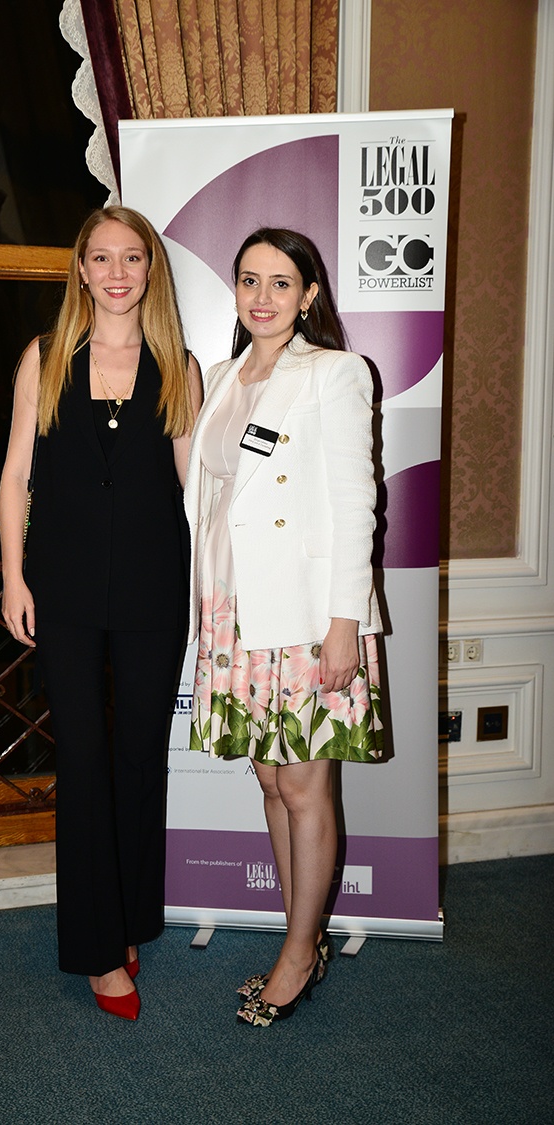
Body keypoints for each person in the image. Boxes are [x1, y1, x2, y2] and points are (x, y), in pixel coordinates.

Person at [0, 206, 202, 1021]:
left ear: (151, 270)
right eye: (102, 257)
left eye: (133, 257)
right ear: (80, 269)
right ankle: (96, 949)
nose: (118, 272)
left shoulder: (178, 364)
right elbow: (17, 474)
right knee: (83, 758)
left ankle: (130, 917)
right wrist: (13, 577)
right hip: (66, 589)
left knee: (141, 756)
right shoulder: (46, 357)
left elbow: (197, 488)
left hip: (155, 587)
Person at [184, 228, 383, 1027]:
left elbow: (357, 504)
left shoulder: (333, 372)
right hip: (235, 612)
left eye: (280, 282)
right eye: (248, 280)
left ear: (308, 295)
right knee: (270, 780)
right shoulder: (223, 378)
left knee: (304, 785)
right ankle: (300, 936)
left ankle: (299, 953)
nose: (261, 296)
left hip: (304, 615)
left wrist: (344, 624)